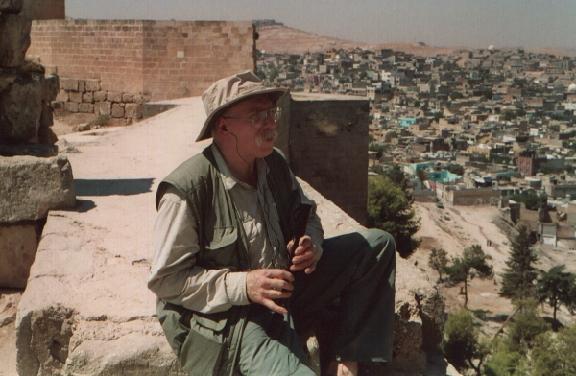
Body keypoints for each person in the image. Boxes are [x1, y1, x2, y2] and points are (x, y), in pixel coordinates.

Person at [148, 71, 396, 376]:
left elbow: (308, 215)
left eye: (271, 112)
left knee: (377, 246)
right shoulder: (188, 190)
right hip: (235, 318)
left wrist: (311, 244)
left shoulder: (273, 164)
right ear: (223, 126)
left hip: (284, 288)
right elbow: (166, 281)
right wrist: (245, 285)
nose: (271, 123)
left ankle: (345, 356)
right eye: (257, 116)